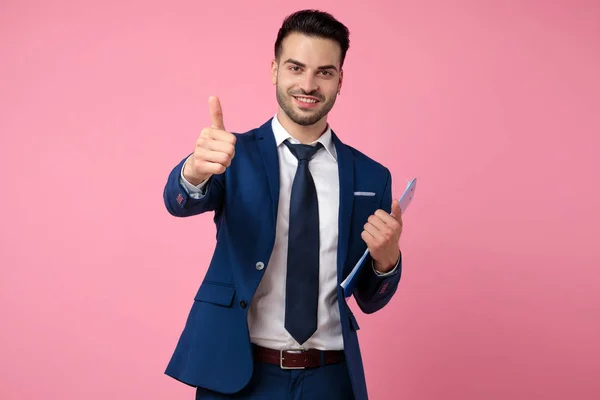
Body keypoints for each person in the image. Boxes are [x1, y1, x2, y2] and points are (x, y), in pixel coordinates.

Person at [163, 9, 404, 400]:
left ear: (340, 80)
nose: (308, 84)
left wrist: (386, 261)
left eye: (325, 72)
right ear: (274, 70)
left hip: (330, 378)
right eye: (296, 67)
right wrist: (193, 170)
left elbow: (370, 299)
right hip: (239, 374)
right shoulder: (232, 154)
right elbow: (178, 202)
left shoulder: (372, 177)